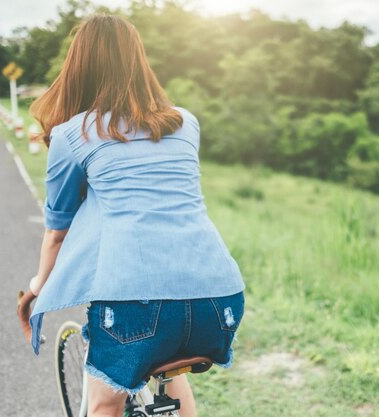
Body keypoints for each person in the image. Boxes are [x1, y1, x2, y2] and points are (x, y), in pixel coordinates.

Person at [25, 14, 246, 417]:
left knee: (103, 405)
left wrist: (39, 285)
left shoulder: (71, 134)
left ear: (79, 67)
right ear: (139, 62)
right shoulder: (185, 122)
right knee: (167, 366)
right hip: (219, 298)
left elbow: (57, 232)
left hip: (136, 304)